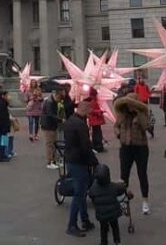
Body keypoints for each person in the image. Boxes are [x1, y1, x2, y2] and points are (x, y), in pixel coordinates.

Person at [64, 100, 97, 237]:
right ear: (85, 110)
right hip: (79, 162)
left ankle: (85, 220)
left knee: (82, 192)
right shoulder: (81, 125)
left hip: (71, 159)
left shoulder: (70, 121)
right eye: (89, 113)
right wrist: (94, 162)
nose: (89, 116)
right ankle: (72, 225)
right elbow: (86, 147)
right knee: (79, 194)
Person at [114, 93, 151, 215]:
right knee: (124, 175)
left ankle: (145, 201)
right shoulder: (122, 114)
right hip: (126, 147)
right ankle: (123, 200)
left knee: (142, 174)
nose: (129, 106)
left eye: (131, 103)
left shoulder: (142, 113)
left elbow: (146, 126)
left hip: (140, 148)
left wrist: (137, 112)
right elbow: (116, 126)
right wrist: (118, 134)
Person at [89, 164, 129, 245]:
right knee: (115, 227)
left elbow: (91, 195)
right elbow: (122, 189)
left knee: (103, 229)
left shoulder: (94, 188)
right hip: (113, 213)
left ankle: (104, 242)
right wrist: (123, 186)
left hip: (101, 214)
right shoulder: (113, 187)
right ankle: (117, 241)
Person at [41, 90, 63, 169]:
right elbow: (50, 114)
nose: (59, 100)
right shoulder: (49, 102)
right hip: (48, 125)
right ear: (56, 95)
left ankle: (53, 160)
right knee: (50, 144)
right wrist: (60, 119)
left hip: (51, 125)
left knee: (53, 143)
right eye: (59, 98)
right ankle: (49, 161)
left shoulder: (52, 101)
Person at [0, 90, 13, 162]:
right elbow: (3, 116)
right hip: (3, 125)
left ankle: (3, 155)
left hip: (1, 125)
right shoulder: (1, 104)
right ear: (3, 96)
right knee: (3, 141)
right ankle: (2, 156)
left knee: (3, 140)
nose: (8, 97)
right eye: (6, 95)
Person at [86, 87, 106, 153]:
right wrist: (99, 111)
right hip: (95, 120)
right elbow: (92, 110)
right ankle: (98, 147)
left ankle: (97, 146)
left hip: (95, 120)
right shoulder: (92, 101)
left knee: (96, 133)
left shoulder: (92, 101)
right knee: (97, 134)